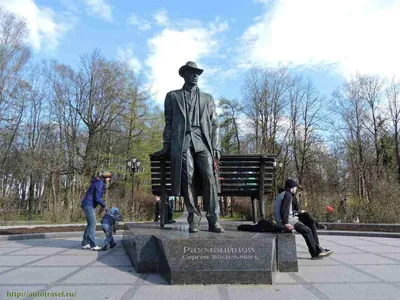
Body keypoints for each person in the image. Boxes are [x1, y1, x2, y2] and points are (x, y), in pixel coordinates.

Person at [153, 61, 223, 233]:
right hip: (183, 141)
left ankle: (214, 219)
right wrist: (167, 144)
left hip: (202, 141)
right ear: (184, 74)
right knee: (187, 178)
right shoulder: (172, 96)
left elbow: (215, 124)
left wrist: (216, 146)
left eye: (198, 73)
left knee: (209, 178)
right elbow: (168, 123)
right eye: (192, 72)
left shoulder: (208, 98)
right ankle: (194, 219)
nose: (196, 76)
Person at [274, 179, 333, 259]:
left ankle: (318, 250)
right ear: (292, 187)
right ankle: (315, 253)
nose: (296, 189)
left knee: (308, 224)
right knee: (307, 231)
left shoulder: (283, 194)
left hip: (285, 219)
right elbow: (284, 210)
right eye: (295, 187)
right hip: (288, 220)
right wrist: (286, 224)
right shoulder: (288, 195)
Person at [81, 171, 112, 251]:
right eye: (109, 178)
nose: (109, 180)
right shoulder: (100, 183)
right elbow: (97, 198)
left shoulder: (98, 182)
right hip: (88, 204)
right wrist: (104, 205)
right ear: (106, 178)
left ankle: (85, 243)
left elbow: (96, 197)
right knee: (93, 224)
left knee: (90, 224)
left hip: (87, 204)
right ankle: (93, 245)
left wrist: (102, 206)